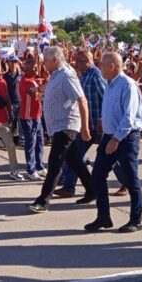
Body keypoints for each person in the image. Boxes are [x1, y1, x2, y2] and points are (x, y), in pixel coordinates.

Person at [27, 46, 95, 213]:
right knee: (75, 161)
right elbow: (52, 90)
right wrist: (39, 90)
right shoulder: (56, 75)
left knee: (54, 163)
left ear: (55, 60)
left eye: (46, 60)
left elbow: (82, 100)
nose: (43, 63)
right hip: (58, 126)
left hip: (67, 126)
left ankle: (43, 201)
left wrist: (85, 128)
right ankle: (93, 189)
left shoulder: (66, 75)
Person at [84, 52, 142, 232]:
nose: (99, 67)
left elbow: (129, 116)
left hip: (125, 138)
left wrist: (117, 138)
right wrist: (104, 121)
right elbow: (111, 107)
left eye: (102, 64)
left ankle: (136, 219)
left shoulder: (128, 85)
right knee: (97, 175)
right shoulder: (110, 84)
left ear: (112, 66)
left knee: (130, 178)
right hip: (109, 137)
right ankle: (103, 217)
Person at [55, 48, 107, 199]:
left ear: (90, 61)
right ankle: (69, 187)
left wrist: (102, 119)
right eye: (78, 61)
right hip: (87, 124)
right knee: (74, 155)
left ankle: (125, 183)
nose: (79, 64)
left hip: (99, 124)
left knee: (110, 158)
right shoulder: (83, 76)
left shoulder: (96, 75)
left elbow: (106, 98)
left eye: (82, 61)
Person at [19, 58, 45, 181]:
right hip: (28, 116)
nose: (36, 69)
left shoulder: (33, 80)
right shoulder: (24, 81)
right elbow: (34, 94)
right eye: (33, 68)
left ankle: (39, 166)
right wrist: (43, 89)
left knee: (40, 141)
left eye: (36, 67)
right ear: (26, 69)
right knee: (31, 143)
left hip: (37, 116)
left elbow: (39, 92)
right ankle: (31, 169)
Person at [3, 55, 22, 143]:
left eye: (15, 62)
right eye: (12, 62)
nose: (14, 64)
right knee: (11, 122)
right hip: (11, 103)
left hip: (21, 102)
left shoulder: (22, 74)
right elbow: (5, 91)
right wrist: (8, 103)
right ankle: (9, 140)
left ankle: (22, 140)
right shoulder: (5, 76)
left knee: (21, 122)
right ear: (8, 63)